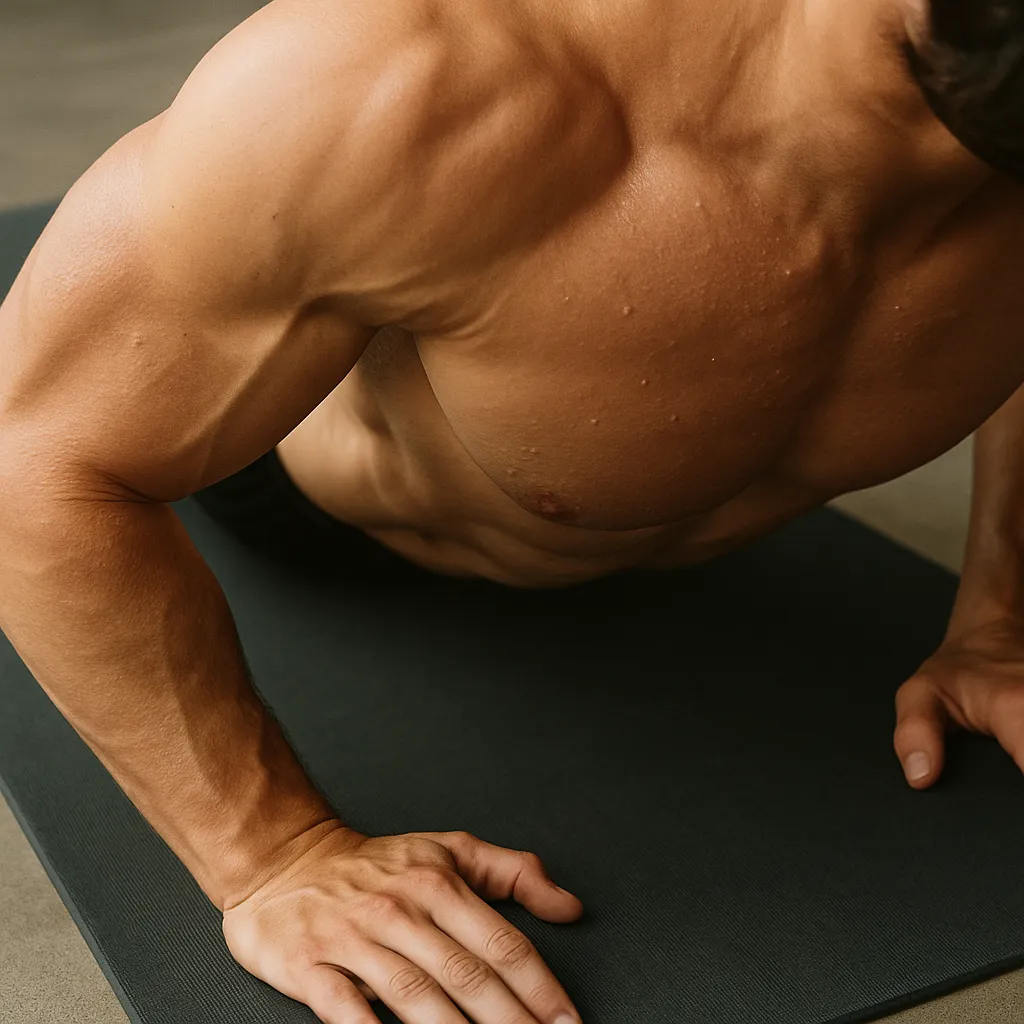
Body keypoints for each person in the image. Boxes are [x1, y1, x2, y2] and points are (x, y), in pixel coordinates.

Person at [0, 0, 1021, 1021]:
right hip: (337, 518)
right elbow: (34, 461)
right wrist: (274, 855)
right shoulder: (400, 85)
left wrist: (1000, 616)